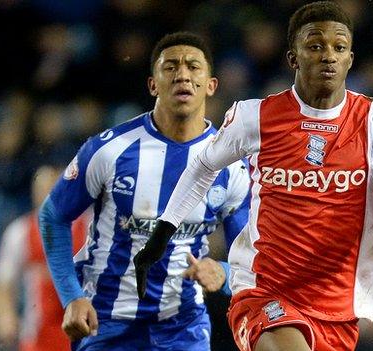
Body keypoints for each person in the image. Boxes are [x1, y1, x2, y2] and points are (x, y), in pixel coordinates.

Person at [134, 2, 373, 350]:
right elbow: (203, 167)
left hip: (336, 305)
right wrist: (162, 233)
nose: (328, 56)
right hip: (264, 290)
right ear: (293, 58)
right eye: (315, 46)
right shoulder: (254, 117)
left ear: (350, 58)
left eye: (339, 47)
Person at [38, 31, 250, 351]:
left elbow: (247, 258)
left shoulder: (232, 166)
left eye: (193, 67)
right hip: (107, 320)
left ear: (211, 85)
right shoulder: (109, 150)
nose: (182, 74)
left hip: (184, 325)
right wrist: (72, 297)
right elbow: (53, 215)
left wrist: (221, 272)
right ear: (153, 84)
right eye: (171, 67)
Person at [0, 165, 88, 351]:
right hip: (38, 335)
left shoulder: (90, 228)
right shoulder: (20, 231)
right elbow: (2, 284)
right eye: (43, 190)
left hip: (83, 332)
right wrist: (6, 316)